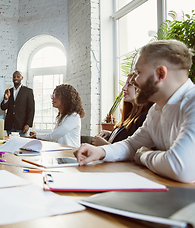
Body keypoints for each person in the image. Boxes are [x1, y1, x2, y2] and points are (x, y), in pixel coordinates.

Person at [75, 39, 195, 183]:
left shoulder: (192, 103)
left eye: (138, 72)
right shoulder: (155, 111)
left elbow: (180, 167)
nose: (135, 81)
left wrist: (144, 155)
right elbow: (132, 145)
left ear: (160, 74)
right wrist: (101, 152)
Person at [92, 72, 152, 146]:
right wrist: (111, 134)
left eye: (130, 85)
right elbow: (127, 138)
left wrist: (105, 144)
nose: (123, 88)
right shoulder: (130, 116)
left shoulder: (144, 118)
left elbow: (133, 151)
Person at [0, 71, 35, 136]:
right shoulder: (8, 91)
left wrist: (28, 124)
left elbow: (31, 110)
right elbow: (3, 108)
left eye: (18, 76)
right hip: (10, 126)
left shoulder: (28, 91)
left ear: (22, 78)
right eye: (14, 77)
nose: (16, 78)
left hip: (22, 126)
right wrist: (6, 99)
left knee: (21, 145)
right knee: (10, 145)